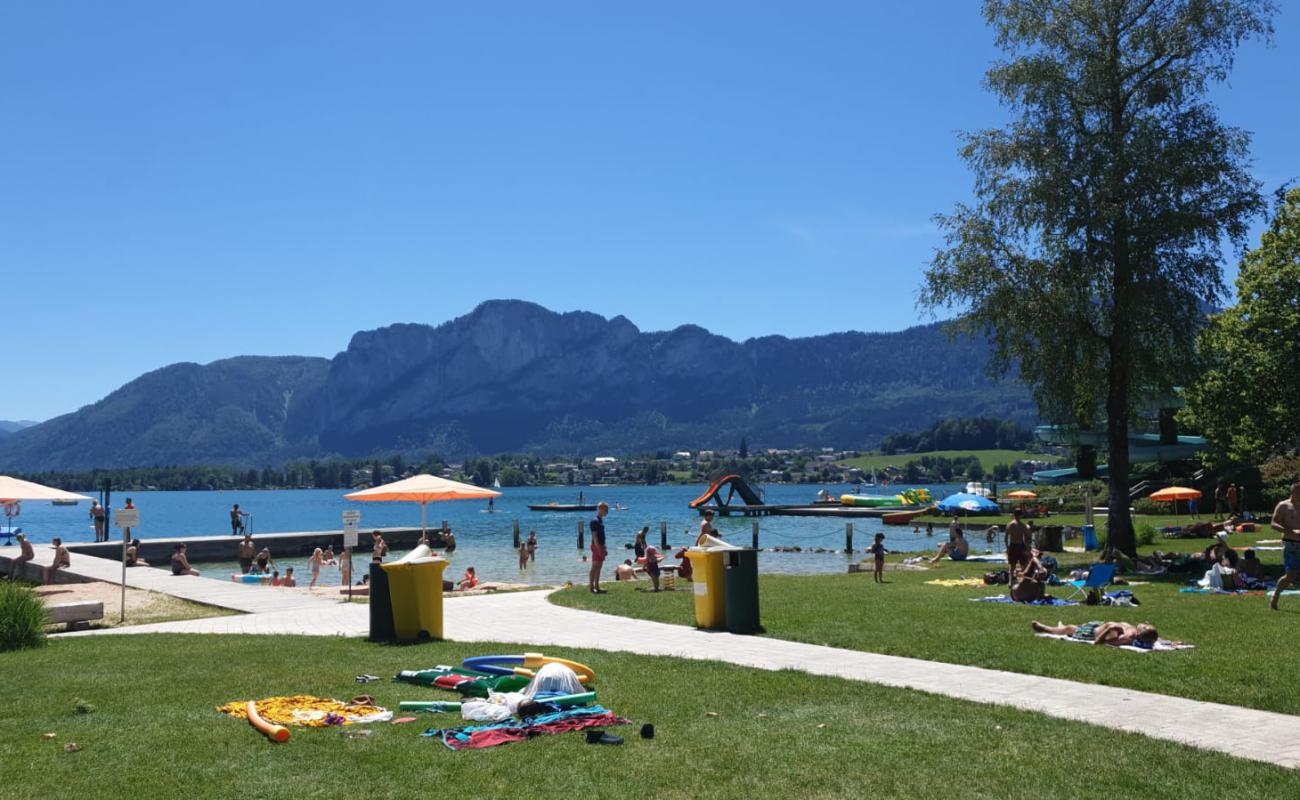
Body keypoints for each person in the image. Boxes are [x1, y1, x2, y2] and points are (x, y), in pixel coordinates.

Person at [1270, 482, 1300, 611]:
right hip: (1291, 543)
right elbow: (1273, 523)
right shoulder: (1284, 506)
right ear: (1293, 492)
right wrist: (1291, 531)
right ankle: (1275, 596)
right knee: (1290, 576)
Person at [1031, 620, 1159, 648]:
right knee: (1071, 627)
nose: (1145, 623)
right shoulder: (1134, 632)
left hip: (1091, 633)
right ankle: (1058, 627)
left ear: (1142, 632)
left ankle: (1046, 629)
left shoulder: (1128, 637)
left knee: (1070, 629)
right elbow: (1154, 639)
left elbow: (1105, 641)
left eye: (1146, 626)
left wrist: (1107, 631)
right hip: (1097, 626)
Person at [589, 501, 609, 594]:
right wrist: (598, 548)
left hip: (601, 545)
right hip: (597, 546)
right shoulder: (595, 521)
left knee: (599, 567)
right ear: (600, 509)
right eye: (605, 510)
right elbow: (594, 536)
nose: (607, 512)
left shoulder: (600, 520)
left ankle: (597, 586)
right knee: (595, 566)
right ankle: (591, 587)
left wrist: (604, 547)